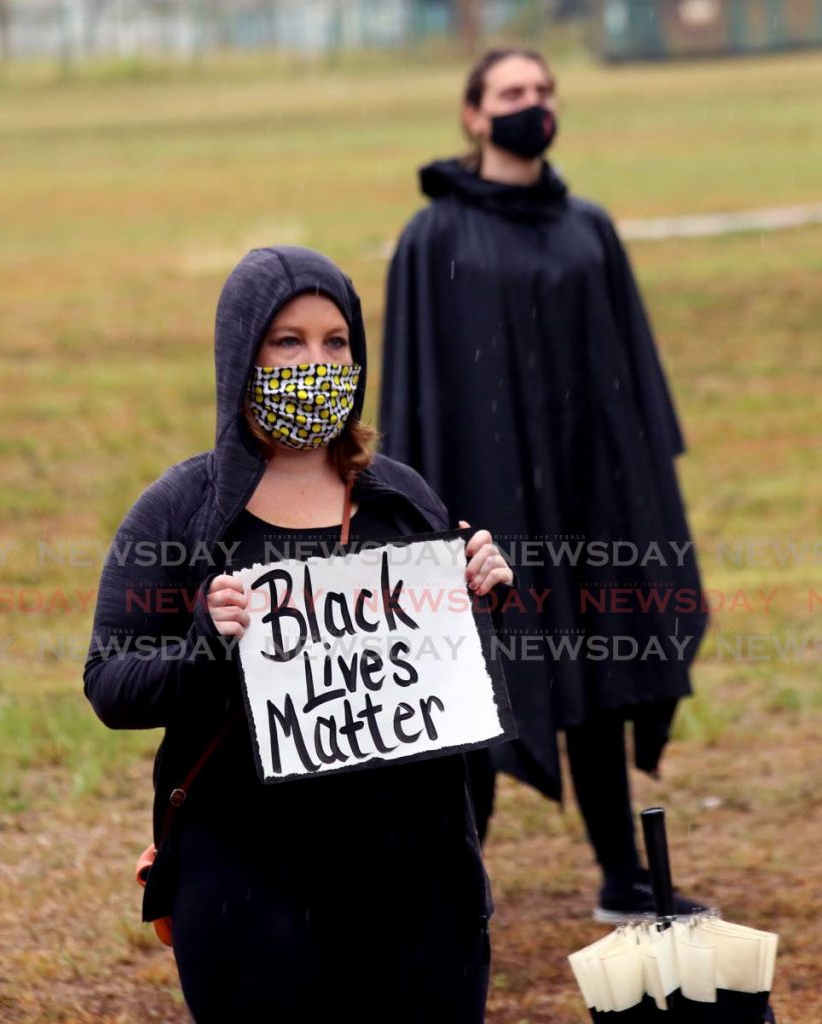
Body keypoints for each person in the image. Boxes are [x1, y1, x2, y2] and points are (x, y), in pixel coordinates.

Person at [83, 246, 514, 1023]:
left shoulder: (401, 499)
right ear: (241, 354)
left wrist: (483, 603)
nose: (316, 360)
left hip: (417, 887)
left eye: (334, 341)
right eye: (287, 341)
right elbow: (109, 683)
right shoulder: (178, 512)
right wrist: (205, 646)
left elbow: (463, 699)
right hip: (249, 891)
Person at [378, 48, 709, 922]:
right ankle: (452, 892)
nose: (533, 105)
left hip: (585, 491)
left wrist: (641, 487)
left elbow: (630, 370)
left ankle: (624, 877)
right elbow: (419, 386)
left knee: (599, 671)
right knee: (479, 683)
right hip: (484, 498)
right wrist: (421, 510)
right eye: (513, 93)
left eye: (543, 91)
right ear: (473, 116)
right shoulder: (434, 237)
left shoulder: (586, 226)